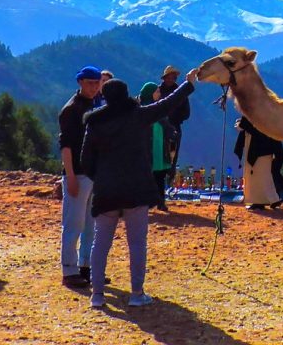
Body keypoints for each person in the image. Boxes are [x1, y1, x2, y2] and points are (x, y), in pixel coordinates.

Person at [80, 70, 197, 309]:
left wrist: (101, 178)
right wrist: (188, 84)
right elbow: (167, 104)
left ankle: (98, 295)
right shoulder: (138, 115)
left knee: (100, 243)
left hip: (106, 191)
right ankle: (136, 294)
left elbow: (85, 162)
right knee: (136, 244)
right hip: (136, 190)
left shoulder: (94, 122)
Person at [58, 65, 103, 288]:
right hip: (78, 173)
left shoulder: (96, 105)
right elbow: (65, 146)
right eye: (90, 83)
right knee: (73, 223)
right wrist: (71, 176)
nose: (94, 87)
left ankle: (87, 266)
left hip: (94, 173)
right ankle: (69, 269)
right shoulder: (71, 109)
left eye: (96, 83)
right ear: (80, 83)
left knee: (91, 225)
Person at [233, 116, 283, 210]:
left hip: (258, 152)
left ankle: (261, 202)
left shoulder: (256, 117)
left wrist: (241, 125)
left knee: (260, 178)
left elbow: (247, 126)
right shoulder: (264, 117)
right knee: (266, 178)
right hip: (265, 151)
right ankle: (273, 199)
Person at [138, 82, 173, 212]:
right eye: (156, 91)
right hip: (147, 148)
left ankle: (160, 201)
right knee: (147, 176)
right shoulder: (141, 110)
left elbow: (166, 125)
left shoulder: (159, 109)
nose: (159, 94)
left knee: (160, 175)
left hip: (159, 147)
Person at [156, 65, 189, 195]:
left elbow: (187, 113)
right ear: (165, 77)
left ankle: (167, 188)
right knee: (157, 157)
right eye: (170, 76)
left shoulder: (181, 93)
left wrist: (174, 118)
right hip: (157, 129)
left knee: (171, 158)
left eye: (174, 76)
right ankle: (156, 191)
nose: (173, 78)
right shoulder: (158, 91)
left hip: (174, 128)